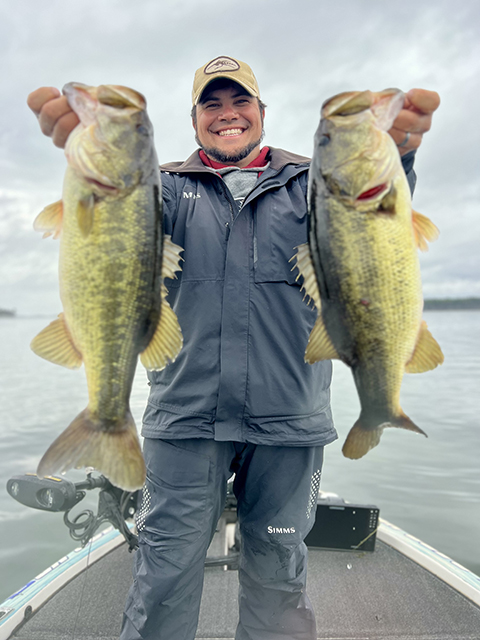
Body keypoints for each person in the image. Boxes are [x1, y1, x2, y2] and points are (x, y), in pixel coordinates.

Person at [28, 56, 440, 640]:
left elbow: (367, 225)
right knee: (163, 575)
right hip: (185, 421)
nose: (227, 114)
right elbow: (118, 225)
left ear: (262, 112)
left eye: (239, 101)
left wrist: (397, 155)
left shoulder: (311, 184)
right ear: (194, 120)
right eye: (211, 104)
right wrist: (94, 150)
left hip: (290, 422)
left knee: (278, 580)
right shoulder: (164, 189)